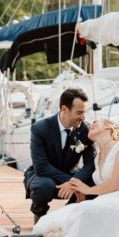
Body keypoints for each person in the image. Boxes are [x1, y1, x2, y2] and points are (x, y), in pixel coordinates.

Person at [24, 87, 95, 223]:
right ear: (64, 109)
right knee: (42, 187)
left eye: (84, 112)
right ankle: (39, 215)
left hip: (72, 174)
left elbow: (90, 164)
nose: (83, 117)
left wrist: (74, 182)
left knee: (95, 183)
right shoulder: (40, 128)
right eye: (79, 112)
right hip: (44, 175)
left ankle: (67, 216)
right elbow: (41, 166)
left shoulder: (86, 130)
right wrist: (72, 182)